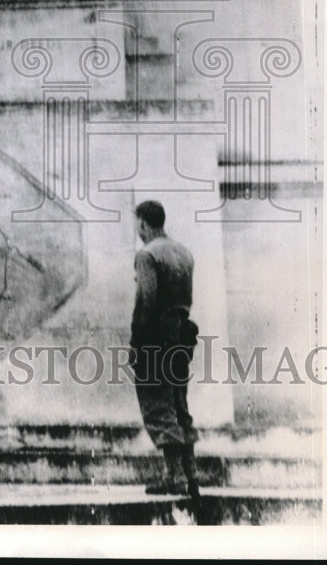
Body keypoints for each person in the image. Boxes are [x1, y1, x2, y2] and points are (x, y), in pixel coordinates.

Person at [130, 200, 200, 499]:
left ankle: (174, 477)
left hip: (156, 337)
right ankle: (190, 476)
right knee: (179, 405)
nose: (137, 229)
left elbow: (147, 299)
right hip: (181, 336)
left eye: (137, 223)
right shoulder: (184, 253)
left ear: (144, 223)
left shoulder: (147, 255)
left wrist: (138, 342)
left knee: (158, 406)